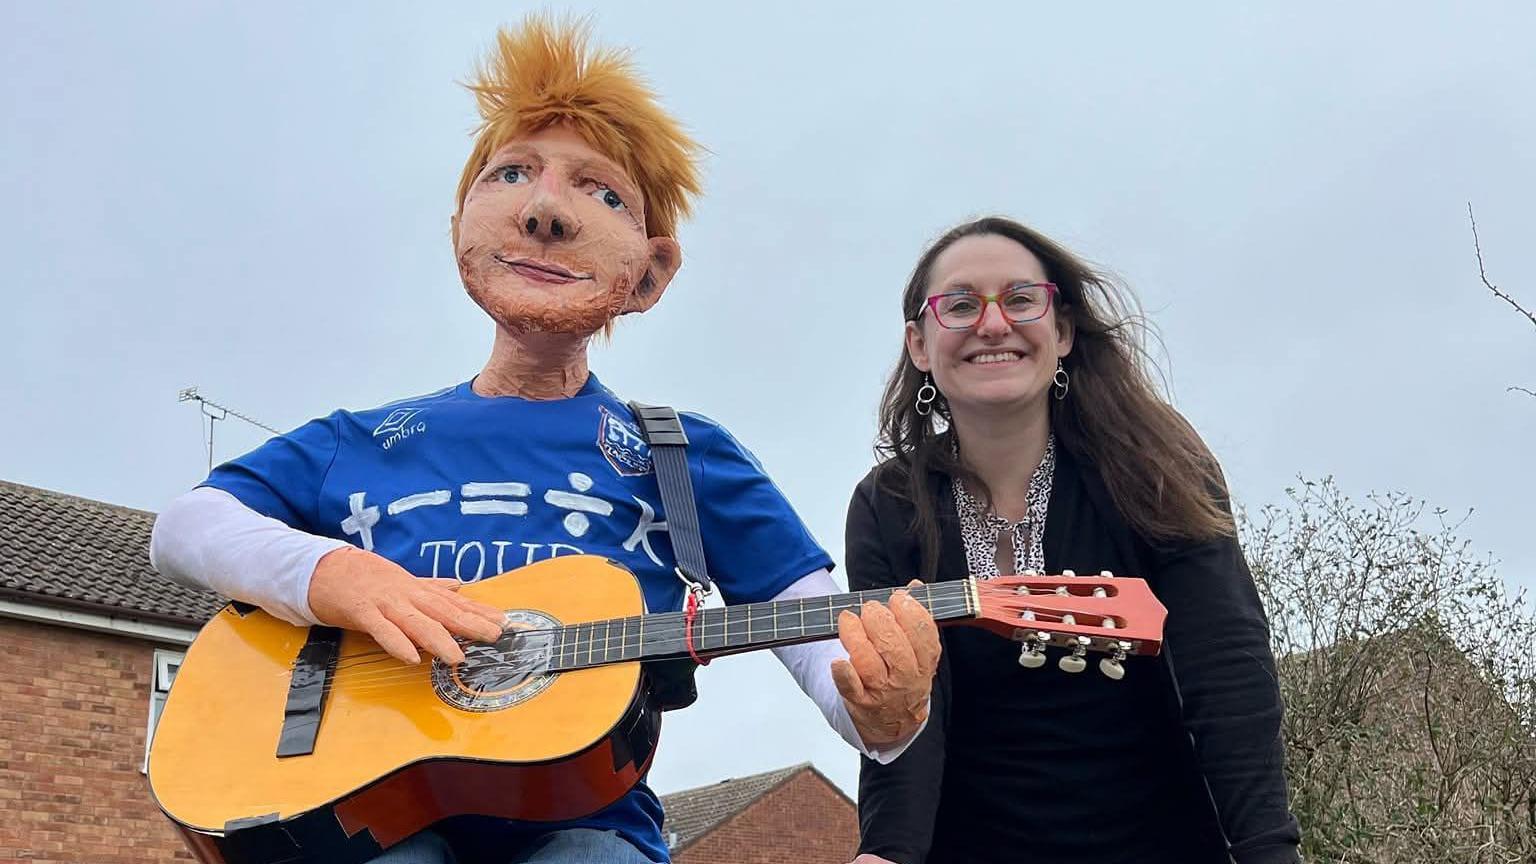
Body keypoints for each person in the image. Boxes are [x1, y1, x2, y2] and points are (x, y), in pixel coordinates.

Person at [149, 17, 938, 864]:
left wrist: (888, 709)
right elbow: (186, 528)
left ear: (650, 272)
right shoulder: (364, 437)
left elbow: (824, 653)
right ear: (461, 225)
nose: (543, 212)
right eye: (513, 173)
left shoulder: (680, 452)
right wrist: (332, 574)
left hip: (590, 822)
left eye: (600, 193)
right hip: (358, 815)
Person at [844, 216, 1301, 864]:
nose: (993, 324)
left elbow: (1226, 671)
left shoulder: (1153, 468)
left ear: (1061, 332)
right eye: (962, 304)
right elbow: (909, 705)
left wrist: (1266, 851)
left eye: (1021, 299)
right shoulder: (885, 506)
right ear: (919, 343)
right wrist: (886, 851)